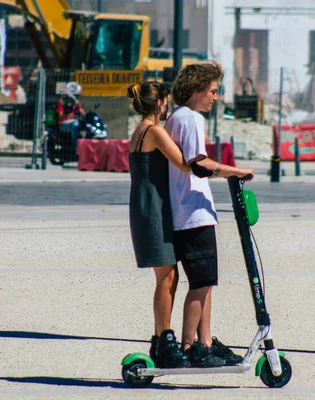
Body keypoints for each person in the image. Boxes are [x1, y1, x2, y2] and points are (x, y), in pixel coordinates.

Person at [165, 61, 255, 367]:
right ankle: (190, 346)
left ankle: (205, 341)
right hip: (192, 213)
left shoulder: (177, 117)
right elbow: (198, 164)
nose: (215, 98)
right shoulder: (190, 119)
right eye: (212, 91)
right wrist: (236, 171)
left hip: (189, 212)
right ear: (196, 90)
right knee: (200, 284)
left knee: (206, 282)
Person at [127, 81, 191, 369]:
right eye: (167, 102)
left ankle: (159, 339)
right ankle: (164, 340)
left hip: (145, 206)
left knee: (167, 276)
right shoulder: (154, 132)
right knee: (167, 277)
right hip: (152, 209)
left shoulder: (138, 131)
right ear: (160, 104)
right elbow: (184, 163)